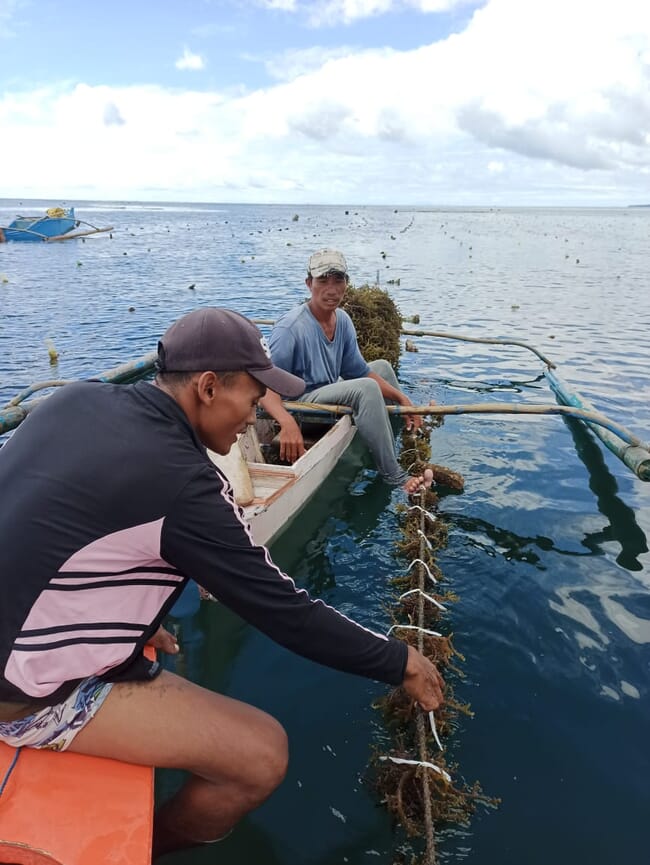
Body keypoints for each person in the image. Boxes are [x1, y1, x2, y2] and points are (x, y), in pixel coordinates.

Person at [0, 307, 444, 861]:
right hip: (20, 697)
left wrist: (140, 618)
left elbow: (53, 522)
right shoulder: (185, 485)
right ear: (209, 387)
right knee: (261, 755)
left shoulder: (73, 399)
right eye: (254, 400)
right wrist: (398, 661)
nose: (254, 415)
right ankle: (147, 847)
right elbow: (285, 611)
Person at [260, 249, 429, 491]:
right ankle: (394, 476)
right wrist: (287, 423)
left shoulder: (343, 320)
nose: (331, 289)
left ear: (346, 284)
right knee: (366, 389)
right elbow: (265, 387)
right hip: (300, 408)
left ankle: (397, 444)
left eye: (338, 280)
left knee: (382, 367)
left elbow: (359, 371)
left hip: (326, 395)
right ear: (309, 284)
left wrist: (403, 399)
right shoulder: (290, 329)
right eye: (322, 280)